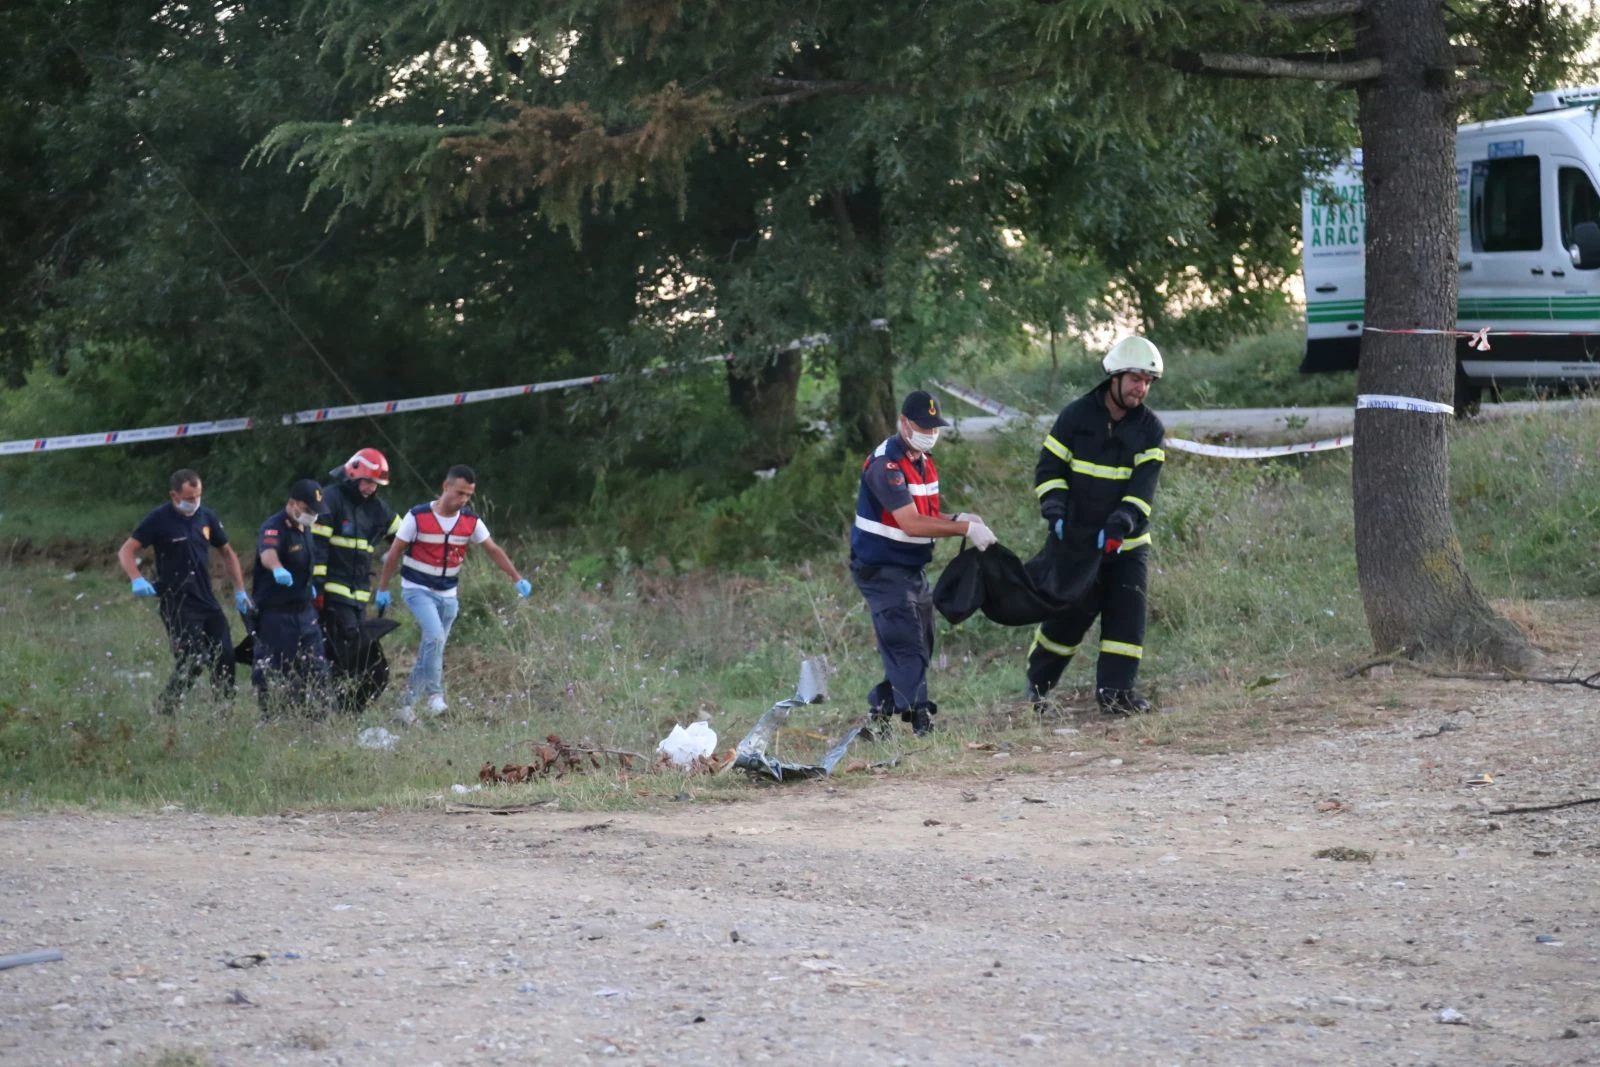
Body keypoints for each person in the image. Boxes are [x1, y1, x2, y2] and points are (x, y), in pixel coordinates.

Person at [1027, 336, 1166, 715]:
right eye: (1135, 379)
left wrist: (1121, 524)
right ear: (1115, 377)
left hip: (1127, 545)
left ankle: (1116, 697)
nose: (1141, 388)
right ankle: (1036, 691)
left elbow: (1143, 490)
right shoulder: (1075, 417)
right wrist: (1055, 510)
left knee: (1126, 622)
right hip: (1076, 543)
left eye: (1147, 382)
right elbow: (1049, 470)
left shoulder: (1150, 429)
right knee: (1066, 622)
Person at [850, 390, 996, 738]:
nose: (930, 433)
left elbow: (928, 516)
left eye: (934, 427)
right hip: (880, 567)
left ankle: (879, 715)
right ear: (903, 423)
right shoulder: (886, 465)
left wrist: (958, 518)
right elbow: (911, 524)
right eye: (922, 427)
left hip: (910, 567)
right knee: (907, 643)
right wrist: (964, 529)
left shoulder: (923, 461)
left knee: (922, 642)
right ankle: (920, 718)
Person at [375, 465, 532, 723]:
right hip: (417, 589)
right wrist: (382, 588)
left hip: (448, 595)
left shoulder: (470, 521)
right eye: (460, 493)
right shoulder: (417, 516)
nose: (464, 500)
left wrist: (517, 578)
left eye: (469, 495)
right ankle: (435, 697)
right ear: (445, 486)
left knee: (433, 646)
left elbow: (493, 549)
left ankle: (407, 704)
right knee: (435, 637)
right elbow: (394, 553)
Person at [116, 469, 251, 714]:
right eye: (189, 498)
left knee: (225, 656)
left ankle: (224, 711)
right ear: (174, 495)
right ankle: (166, 707)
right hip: (177, 602)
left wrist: (240, 590)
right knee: (193, 659)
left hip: (206, 599)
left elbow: (227, 553)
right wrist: (136, 578)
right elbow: (126, 551)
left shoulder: (207, 517)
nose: (194, 502)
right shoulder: (158, 519)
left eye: (198, 496)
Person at [313, 448, 400, 711]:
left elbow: (404, 534)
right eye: (367, 481)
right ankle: (330, 711)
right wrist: (317, 590)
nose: (371, 488)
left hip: (359, 596)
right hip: (333, 594)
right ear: (352, 474)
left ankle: (341, 712)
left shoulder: (377, 508)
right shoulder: (330, 499)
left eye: (375, 484)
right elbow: (317, 548)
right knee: (345, 656)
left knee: (355, 661)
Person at [251, 479, 333, 712]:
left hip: (304, 611)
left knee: (317, 667)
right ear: (293, 503)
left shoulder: (305, 529)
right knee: (274, 670)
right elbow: (268, 553)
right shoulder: (274, 526)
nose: (312, 516)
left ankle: (319, 716)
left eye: (315, 512)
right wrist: (277, 568)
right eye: (308, 510)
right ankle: (271, 715)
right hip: (277, 614)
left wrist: (309, 586)